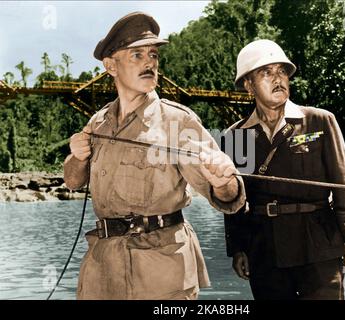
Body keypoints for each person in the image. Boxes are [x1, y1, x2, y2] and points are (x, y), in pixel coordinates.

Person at [63, 12, 246, 300]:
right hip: (102, 271)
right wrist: (77, 157)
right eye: (137, 54)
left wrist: (224, 182)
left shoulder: (178, 121)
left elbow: (229, 198)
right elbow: (72, 182)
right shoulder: (97, 123)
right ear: (110, 65)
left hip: (162, 272)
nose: (150, 62)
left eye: (153, 55)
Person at [223, 39, 345, 300]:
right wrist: (238, 248)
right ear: (248, 85)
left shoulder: (320, 120)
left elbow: (344, 183)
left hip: (319, 246)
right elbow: (235, 201)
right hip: (264, 251)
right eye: (266, 72)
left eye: (282, 71)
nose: (278, 78)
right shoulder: (235, 136)